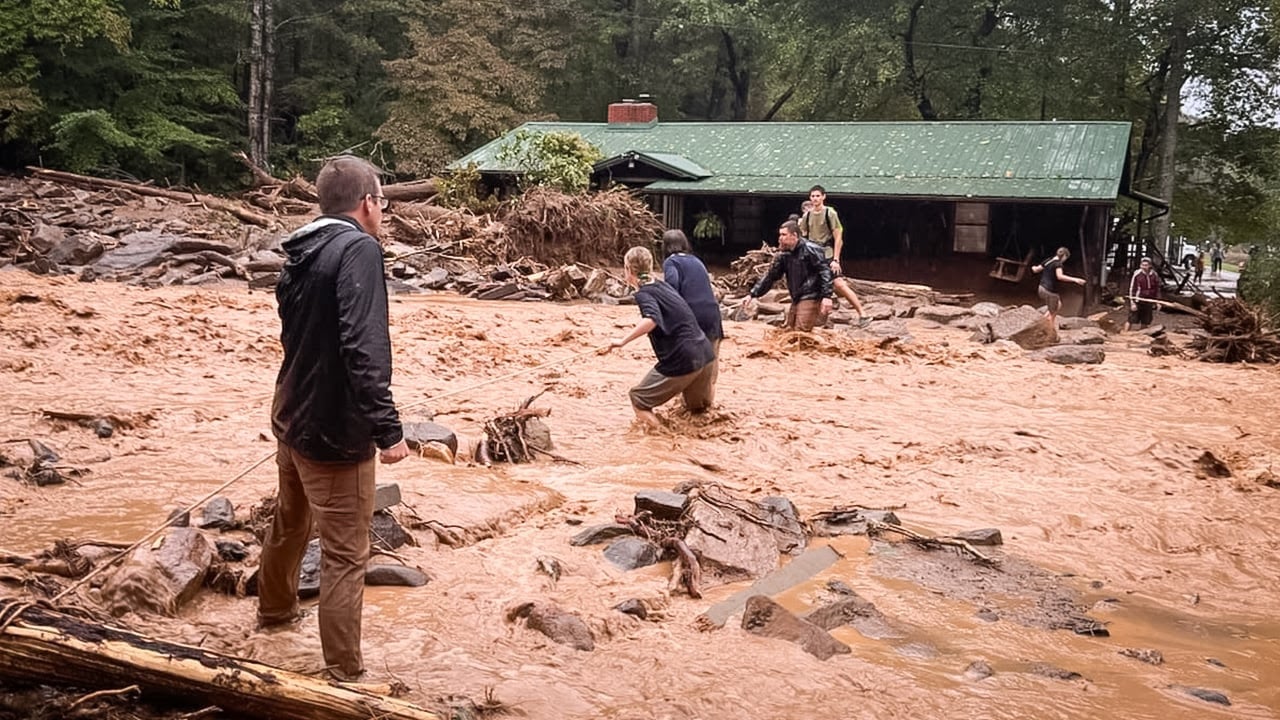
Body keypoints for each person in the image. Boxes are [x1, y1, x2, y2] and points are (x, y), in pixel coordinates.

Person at [259, 155, 410, 682]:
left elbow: (295, 332)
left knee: (291, 521)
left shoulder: (301, 247)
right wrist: (387, 428)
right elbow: (362, 345)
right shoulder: (360, 249)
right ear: (367, 204)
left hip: (292, 415)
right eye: (382, 203)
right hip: (333, 431)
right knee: (346, 554)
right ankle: (345, 675)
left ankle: (274, 612)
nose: (383, 213)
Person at [604, 246, 716, 429]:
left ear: (628, 269)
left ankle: (664, 444)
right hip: (705, 353)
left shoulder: (644, 294)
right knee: (698, 412)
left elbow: (652, 319)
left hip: (684, 359)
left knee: (638, 398)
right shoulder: (662, 285)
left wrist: (622, 341)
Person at [662, 229, 723, 404]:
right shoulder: (697, 261)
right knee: (710, 362)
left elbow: (672, 290)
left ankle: (693, 406)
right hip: (713, 317)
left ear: (665, 247)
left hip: (692, 318)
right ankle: (709, 403)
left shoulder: (671, 263)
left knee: (691, 362)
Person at [742, 220, 833, 331]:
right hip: (797, 296)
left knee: (800, 333)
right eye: (780, 235)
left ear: (794, 235)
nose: (780, 238)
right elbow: (770, 276)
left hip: (811, 295)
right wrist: (752, 294)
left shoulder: (811, 249)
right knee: (790, 331)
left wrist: (827, 296)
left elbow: (825, 272)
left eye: (784, 235)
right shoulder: (784, 254)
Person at [798, 185, 868, 325]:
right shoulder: (807, 216)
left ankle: (863, 314)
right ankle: (816, 320)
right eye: (812, 196)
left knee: (839, 284)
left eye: (817, 196)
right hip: (812, 256)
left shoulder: (830, 213)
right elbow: (803, 237)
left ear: (823, 197)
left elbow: (838, 237)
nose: (815, 199)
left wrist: (836, 259)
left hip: (827, 255)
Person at [1031, 247, 1086, 325]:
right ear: (1064, 256)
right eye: (1065, 258)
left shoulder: (1048, 261)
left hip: (1041, 288)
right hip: (1049, 290)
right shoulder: (1058, 264)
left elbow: (1036, 270)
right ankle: (1049, 330)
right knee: (1053, 314)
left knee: (1058, 305)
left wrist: (1033, 267)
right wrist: (1075, 279)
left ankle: (1043, 321)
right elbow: (1060, 276)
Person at [1125, 257, 1160, 331]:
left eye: (1146, 265)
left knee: (1145, 320)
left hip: (1149, 301)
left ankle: (1142, 335)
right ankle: (1124, 334)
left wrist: (1157, 302)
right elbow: (1132, 288)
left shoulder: (1154, 275)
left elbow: (1156, 289)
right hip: (1138, 300)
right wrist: (1132, 302)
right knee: (1131, 319)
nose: (1144, 267)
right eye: (1142, 265)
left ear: (1150, 265)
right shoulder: (1137, 274)